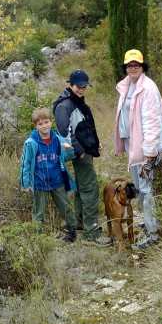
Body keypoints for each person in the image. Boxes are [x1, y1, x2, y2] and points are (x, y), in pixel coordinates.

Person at [114, 49, 162, 249]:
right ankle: (150, 222)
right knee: (139, 188)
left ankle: (153, 233)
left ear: (142, 67)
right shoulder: (126, 85)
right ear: (125, 67)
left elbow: (151, 122)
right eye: (129, 65)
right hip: (134, 145)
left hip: (146, 147)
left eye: (136, 65)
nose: (133, 68)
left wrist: (149, 153)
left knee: (146, 189)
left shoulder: (148, 88)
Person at [53, 69, 112, 246]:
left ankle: (80, 223)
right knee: (90, 188)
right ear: (70, 84)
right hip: (80, 153)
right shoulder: (65, 106)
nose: (82, 89)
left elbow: (85, 128)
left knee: (81, 186)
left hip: (85, 150)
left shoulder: (76, 101)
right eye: (79, 86)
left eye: (85, 87)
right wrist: (80, 151)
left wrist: (95, 143)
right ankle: (91, 233)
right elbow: (65, 134)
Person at [20, 107, 77, 242]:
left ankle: (72, 230)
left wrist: (68, 149)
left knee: (65, 206)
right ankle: (38, 237)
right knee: (38, 212)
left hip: (57, 181)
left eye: (46, 122)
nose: (44, 126)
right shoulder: (31, 143)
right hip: (40, 183)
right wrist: (26, 183)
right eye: (40, 124)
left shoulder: (57, 139)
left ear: (51, 122)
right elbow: (25, 164)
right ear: (36, 126)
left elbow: (68, 156)